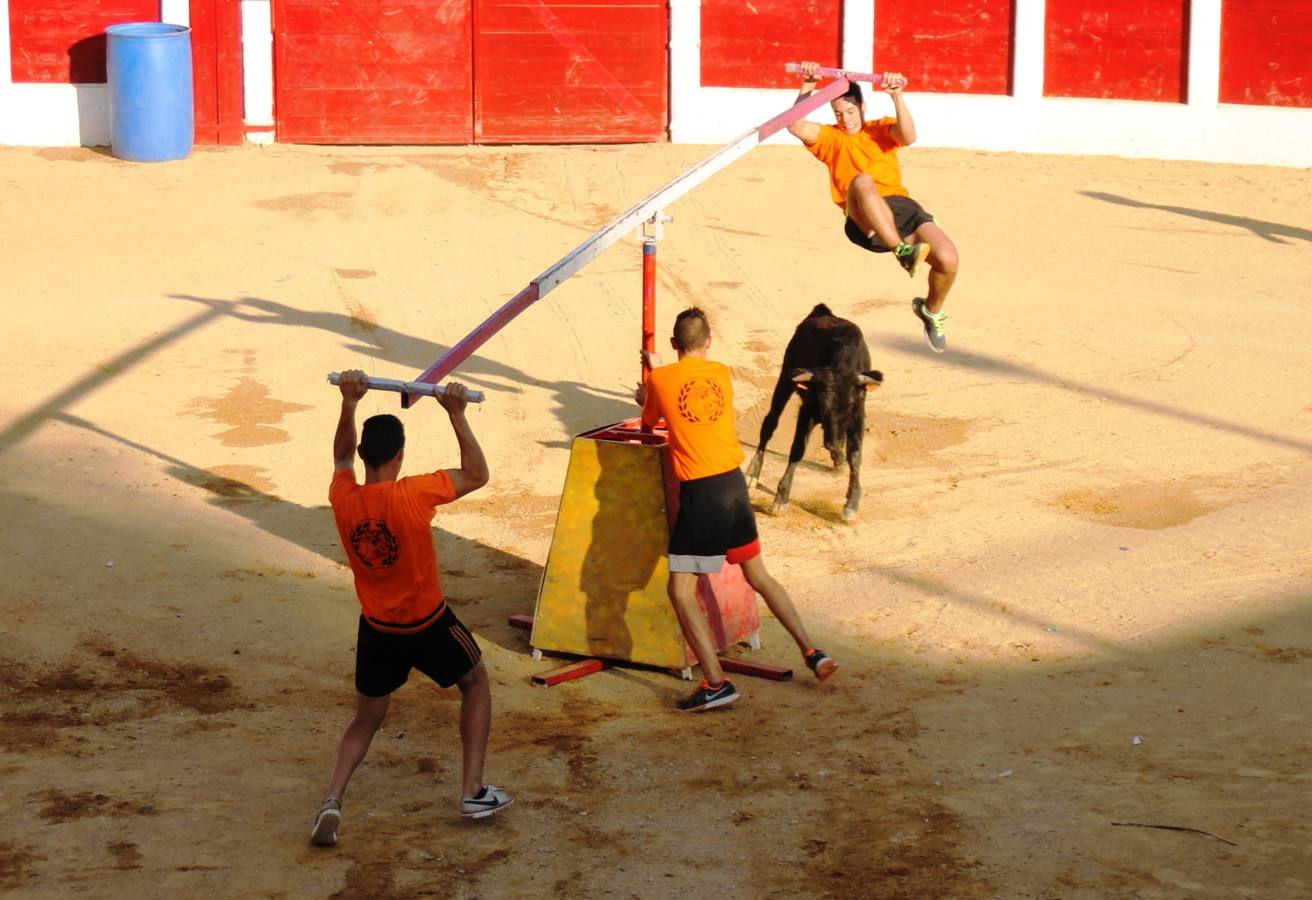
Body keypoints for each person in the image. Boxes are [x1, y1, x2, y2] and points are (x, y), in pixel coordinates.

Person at [311, 370, 512, 848]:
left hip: (377, 628)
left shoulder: (344, 498)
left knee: (367, 717)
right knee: (476, 681)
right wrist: (457, 414)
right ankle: (472, 791)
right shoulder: (413, 494)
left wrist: (348, 402)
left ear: (365, 455)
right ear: (400, 456)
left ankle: (332, 800)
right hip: (428, 624)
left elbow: (339, 454)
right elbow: (478, 474)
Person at [635, 308, 839, 712]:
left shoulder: (660, 379)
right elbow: (687, 389)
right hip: (733, 484)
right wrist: (660, 378)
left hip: (702, 493)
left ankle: (715, 683)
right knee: (759, 575)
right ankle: (813, 652)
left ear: (675, 343)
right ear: (708, 342)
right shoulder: (722, 373)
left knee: (679, 590)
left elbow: (649, 423)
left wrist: (649, 385)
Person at [789, 59, 960, 353]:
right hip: (862, 216)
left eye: (851, 111)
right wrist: (808, 85)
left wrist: (896, 95)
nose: (845, 119)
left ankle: (931, 311)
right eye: (839, 113)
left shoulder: (879, 130)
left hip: (902, 208)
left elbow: (908, 136)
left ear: (862, 107)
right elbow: (795, 124)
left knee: (948, 259)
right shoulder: (831, 138)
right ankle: (902, 251)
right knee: (862, 181)